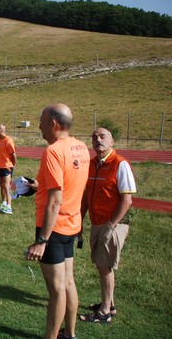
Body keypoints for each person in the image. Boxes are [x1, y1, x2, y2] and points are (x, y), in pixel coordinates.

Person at [25, 104, 90, 339]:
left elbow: (55, 200)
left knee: (56, 290)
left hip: (53, 228)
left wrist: (42, 239)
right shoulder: (81, 148)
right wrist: (37, 186)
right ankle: (70, 334)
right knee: (68, 282)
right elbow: (71, 186)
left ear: (53, 124)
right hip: (71, 225)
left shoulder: (53, 151)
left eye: (41, 122)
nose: (40, 127)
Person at [79, 127, 136, 324]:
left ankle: (104, 312)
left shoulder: (120, 164)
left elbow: (126, 200)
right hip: (98, 222)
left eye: (102, 136)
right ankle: (109, 303)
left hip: (113, 223)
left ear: (112, 142)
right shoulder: (92, 164)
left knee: (104, 265)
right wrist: (80, 219)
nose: (97, 140)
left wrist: (111, 226)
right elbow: (86, 195)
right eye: (94, 137)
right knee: (101, 263)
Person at [0, 124, 16, 214]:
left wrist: (12, 165)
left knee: (7, 186)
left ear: (0, 130)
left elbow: (13, 155)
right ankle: (4, 202)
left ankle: (9, 206)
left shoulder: (8, 140)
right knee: (2, 185)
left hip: (7, 166)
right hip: (0, 165)